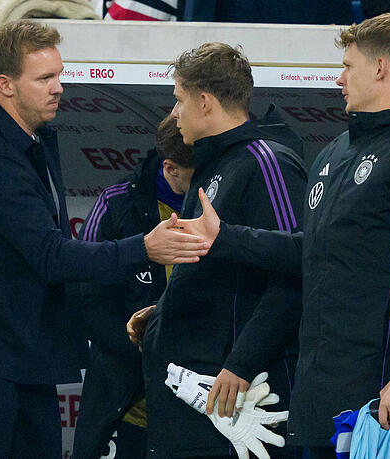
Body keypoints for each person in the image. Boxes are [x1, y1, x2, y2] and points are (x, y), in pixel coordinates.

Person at [158, 13, 390, 459]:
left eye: (348, 66)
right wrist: (225, 237)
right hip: (324, 400)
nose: (339, 78)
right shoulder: (336, 153)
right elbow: (309, 252)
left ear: (381, 68)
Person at [0, 20, 209, 458]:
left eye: (59, 74)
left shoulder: (32, 137)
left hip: (20, 353)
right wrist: (145, 247)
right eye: (44, 78)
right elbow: (51, 255)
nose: (59, 88)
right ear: (5, 85)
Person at [132, 42, 307, 458]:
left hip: (235, 402)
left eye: (179, 100)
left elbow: (298, 270)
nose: (174, 113)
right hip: (192, 403)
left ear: (205, 101)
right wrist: (165, 313)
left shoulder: (268, 163)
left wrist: (241, 363)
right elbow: (225, 272)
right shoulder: (212, 165)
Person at [73, 115, 195, 459]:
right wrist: (141, 348)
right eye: (197, 174)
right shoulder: (116, 203)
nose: (207, 181)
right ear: (170, 169)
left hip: (196, 405)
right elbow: (84, 295)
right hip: (125, 403)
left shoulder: (217, 203)